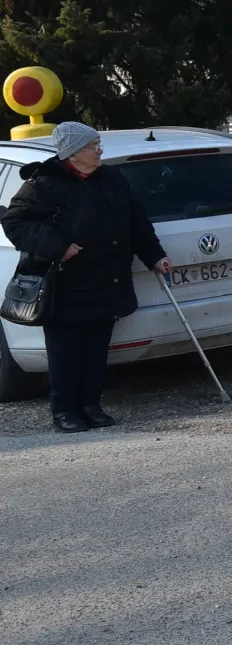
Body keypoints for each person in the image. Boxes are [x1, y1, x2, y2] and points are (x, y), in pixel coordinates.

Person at [1, 123, 171, 432]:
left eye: (98, 143)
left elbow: (136, 222)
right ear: (74, 152)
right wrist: (59, 246)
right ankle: (64, 411)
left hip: (107, 279)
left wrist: (155, 256)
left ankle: (91, 406)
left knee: (96, 350)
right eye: (93, 145)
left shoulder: (112, 179)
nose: (100, 149)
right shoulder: (44, 183)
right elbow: (15, 222)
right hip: (64, 283)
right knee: (65, 353)